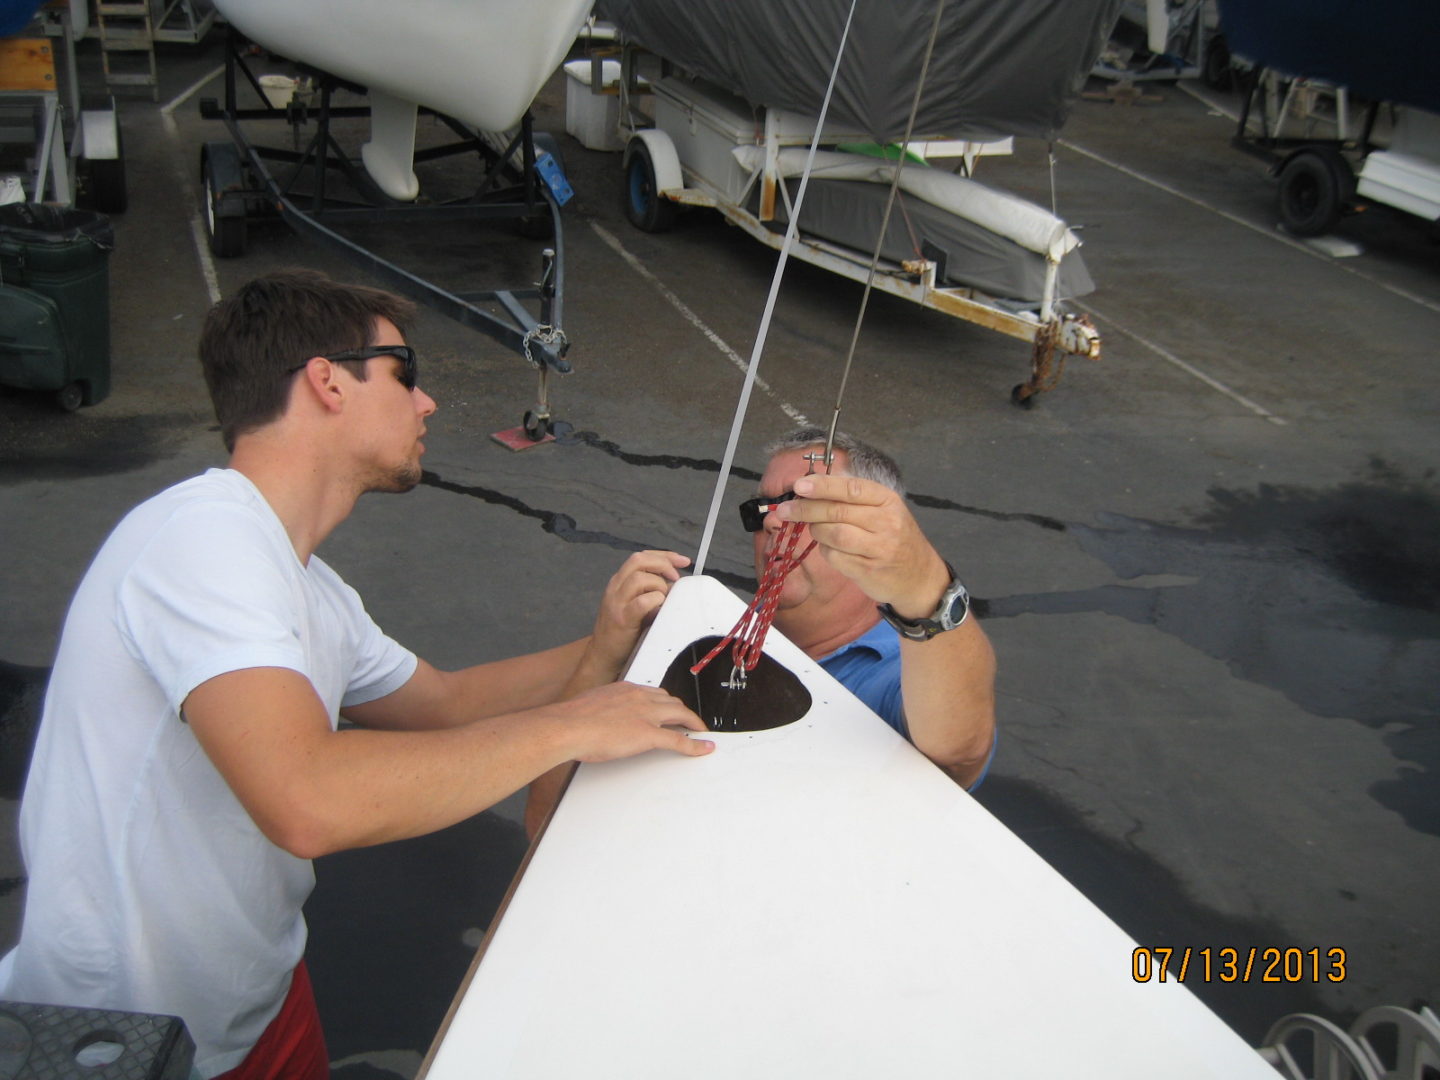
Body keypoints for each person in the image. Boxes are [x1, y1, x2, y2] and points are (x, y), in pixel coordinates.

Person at [0, 269, 712, 1079]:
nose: (428, 402)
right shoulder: (202, 541)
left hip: (255, 1001)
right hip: (121, 1042)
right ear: (327, 381)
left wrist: (609, 642)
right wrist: (577, 724)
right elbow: (308, 800)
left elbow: (444, 705)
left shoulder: (301, 583)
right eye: (405, 373)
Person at [746, 428, 995, 788]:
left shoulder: (902, 671)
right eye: (759, 510)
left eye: (803, 505)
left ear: (873, 532)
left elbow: (961, 752)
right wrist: (631, 647)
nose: (771, 521)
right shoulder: (722, 626)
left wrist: (924, 584)